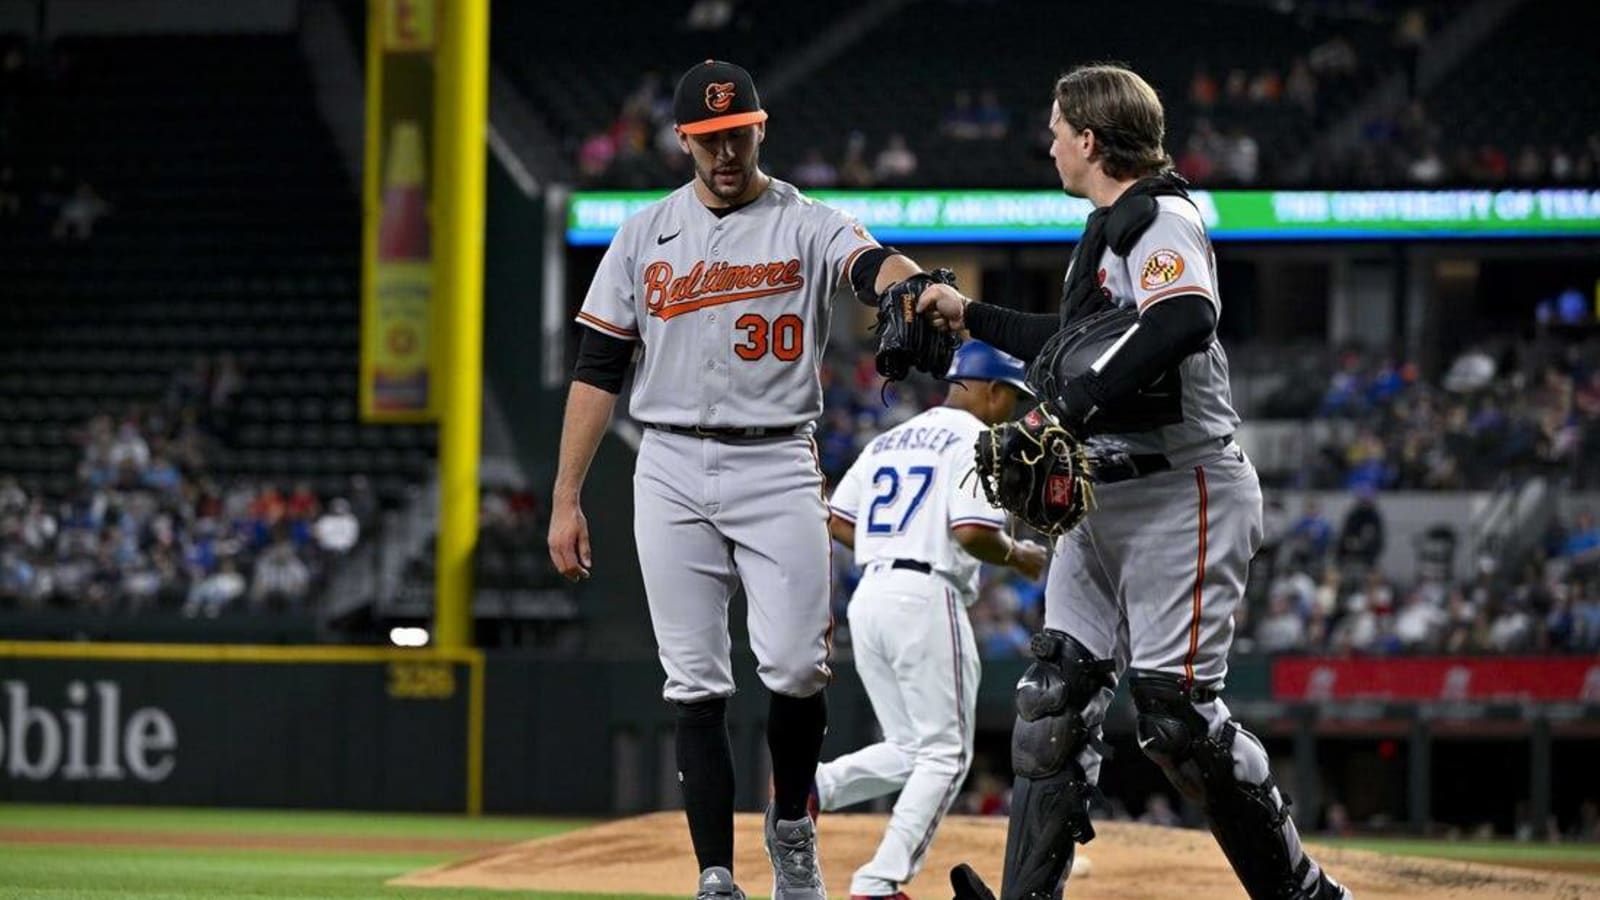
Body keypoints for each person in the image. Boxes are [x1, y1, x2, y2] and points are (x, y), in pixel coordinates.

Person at [918, 63, 1350, 900]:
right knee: (1051, 698)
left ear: (1088, 138)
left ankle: (1305, 894)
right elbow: (1070, 337)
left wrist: (1063, 411)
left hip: (1181, 486)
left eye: (1055, 130)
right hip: (1103, 492)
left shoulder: (1161, 215)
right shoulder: (1111, 226)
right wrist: (966, 313)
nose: (1047, 144)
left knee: (1177, 719)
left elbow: (1186, 319)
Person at [547, 60, 967, 900]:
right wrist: (566, 497)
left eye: (736, 133)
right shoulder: (643, 233)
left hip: (777, 460)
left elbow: (869, 265)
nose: (725, 151)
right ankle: (713, 874)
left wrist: (911, 284)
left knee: (796, 672)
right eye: (708, 139)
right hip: (665, 461)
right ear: (684, 142)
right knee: (694, 681)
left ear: (760, 126)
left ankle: (793, 827)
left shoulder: (806, 221)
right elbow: (598, 368)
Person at [816, 342, 1049, 900]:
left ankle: (814, 786)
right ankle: (878, 882)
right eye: (1012, 398)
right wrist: (1021, 556)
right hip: (924, 593)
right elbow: (971, 532)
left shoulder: (889, 437)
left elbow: (838, 519)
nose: (1013, 411)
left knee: (909, 747)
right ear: (991, 389)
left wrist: (889, 542)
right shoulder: (976, 439)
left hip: (870, 594)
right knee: (947, 755)